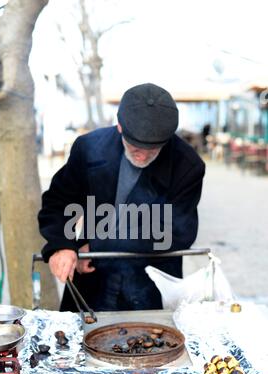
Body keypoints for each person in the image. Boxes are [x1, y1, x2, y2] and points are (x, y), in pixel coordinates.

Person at [38, 83, 205, 312]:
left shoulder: (188, 165)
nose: (143, 156)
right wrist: (62, 245)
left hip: (151, 280)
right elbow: (58, 201)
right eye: (136, 147)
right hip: (92, 276)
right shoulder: (89, 147)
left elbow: (177, 232)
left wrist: (96, 245)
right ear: (119, 128)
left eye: (153, 149)